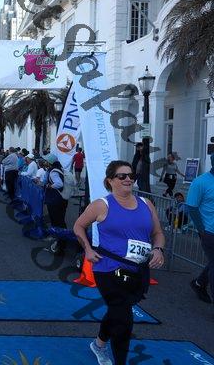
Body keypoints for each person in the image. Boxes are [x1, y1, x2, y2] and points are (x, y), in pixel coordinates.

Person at [73, 160, 165, 365]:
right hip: (108, 269)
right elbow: (78, 226)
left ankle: (98, 344)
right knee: (124, 319)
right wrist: (88, 249)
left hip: (138, 271)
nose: (128, 179)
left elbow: (157, 233)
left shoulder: (146, 204)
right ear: (110, 180)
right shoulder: (101, 205)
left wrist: (158, 249)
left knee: (118, 311)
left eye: (131, 176)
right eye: (122, 176)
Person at [187, 153, 214, 304]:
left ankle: (199, 283)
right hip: (209, 233)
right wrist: (202, 231)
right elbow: (192, 208)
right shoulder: (200, 182)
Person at [44, 154, 69, 254]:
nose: (45, 162)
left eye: (46, 161)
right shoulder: (58, 169)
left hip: (55, 200)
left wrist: (50, 186)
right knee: (60, 221)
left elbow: (59, 184)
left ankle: (60, 245)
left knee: (57, 221)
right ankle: (60, 242)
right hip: (60, 200)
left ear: (50, 162)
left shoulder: (53, 172)